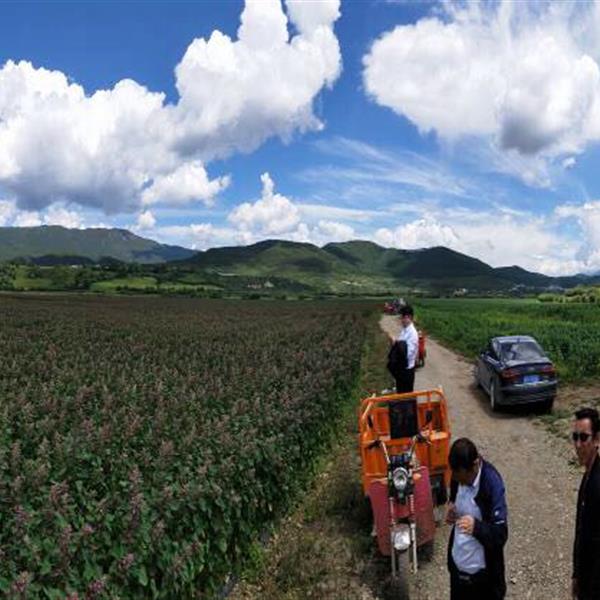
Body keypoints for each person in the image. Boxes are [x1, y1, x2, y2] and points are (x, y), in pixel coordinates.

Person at [446, 438, 508, 600]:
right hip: (458, 574)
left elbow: (501, 534)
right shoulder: (457, 475)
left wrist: (476, 527)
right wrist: (452, 506)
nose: (458, 481)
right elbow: (455, 491)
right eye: (455, 476)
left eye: (463, 479)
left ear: (475, 465)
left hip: (483, 581)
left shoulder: (492, 484)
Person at [572, 407, 600, 600]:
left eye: (584, 438)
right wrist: (576, 574)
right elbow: (580, 530)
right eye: (575, 437)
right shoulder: (588, 476)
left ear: (597, 439)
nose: (578, 445)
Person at [388, 304, 418, 392]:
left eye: (404, 318)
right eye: (402, 317)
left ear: (410, 317)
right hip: (402, 367)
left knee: (406, 394)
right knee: (401, 393)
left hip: (407, 370)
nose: (402, 320)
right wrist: (396, 343)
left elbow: (408, 354)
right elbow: (402, 345)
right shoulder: (405, 330)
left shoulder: (412, 333)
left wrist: (395, 343)